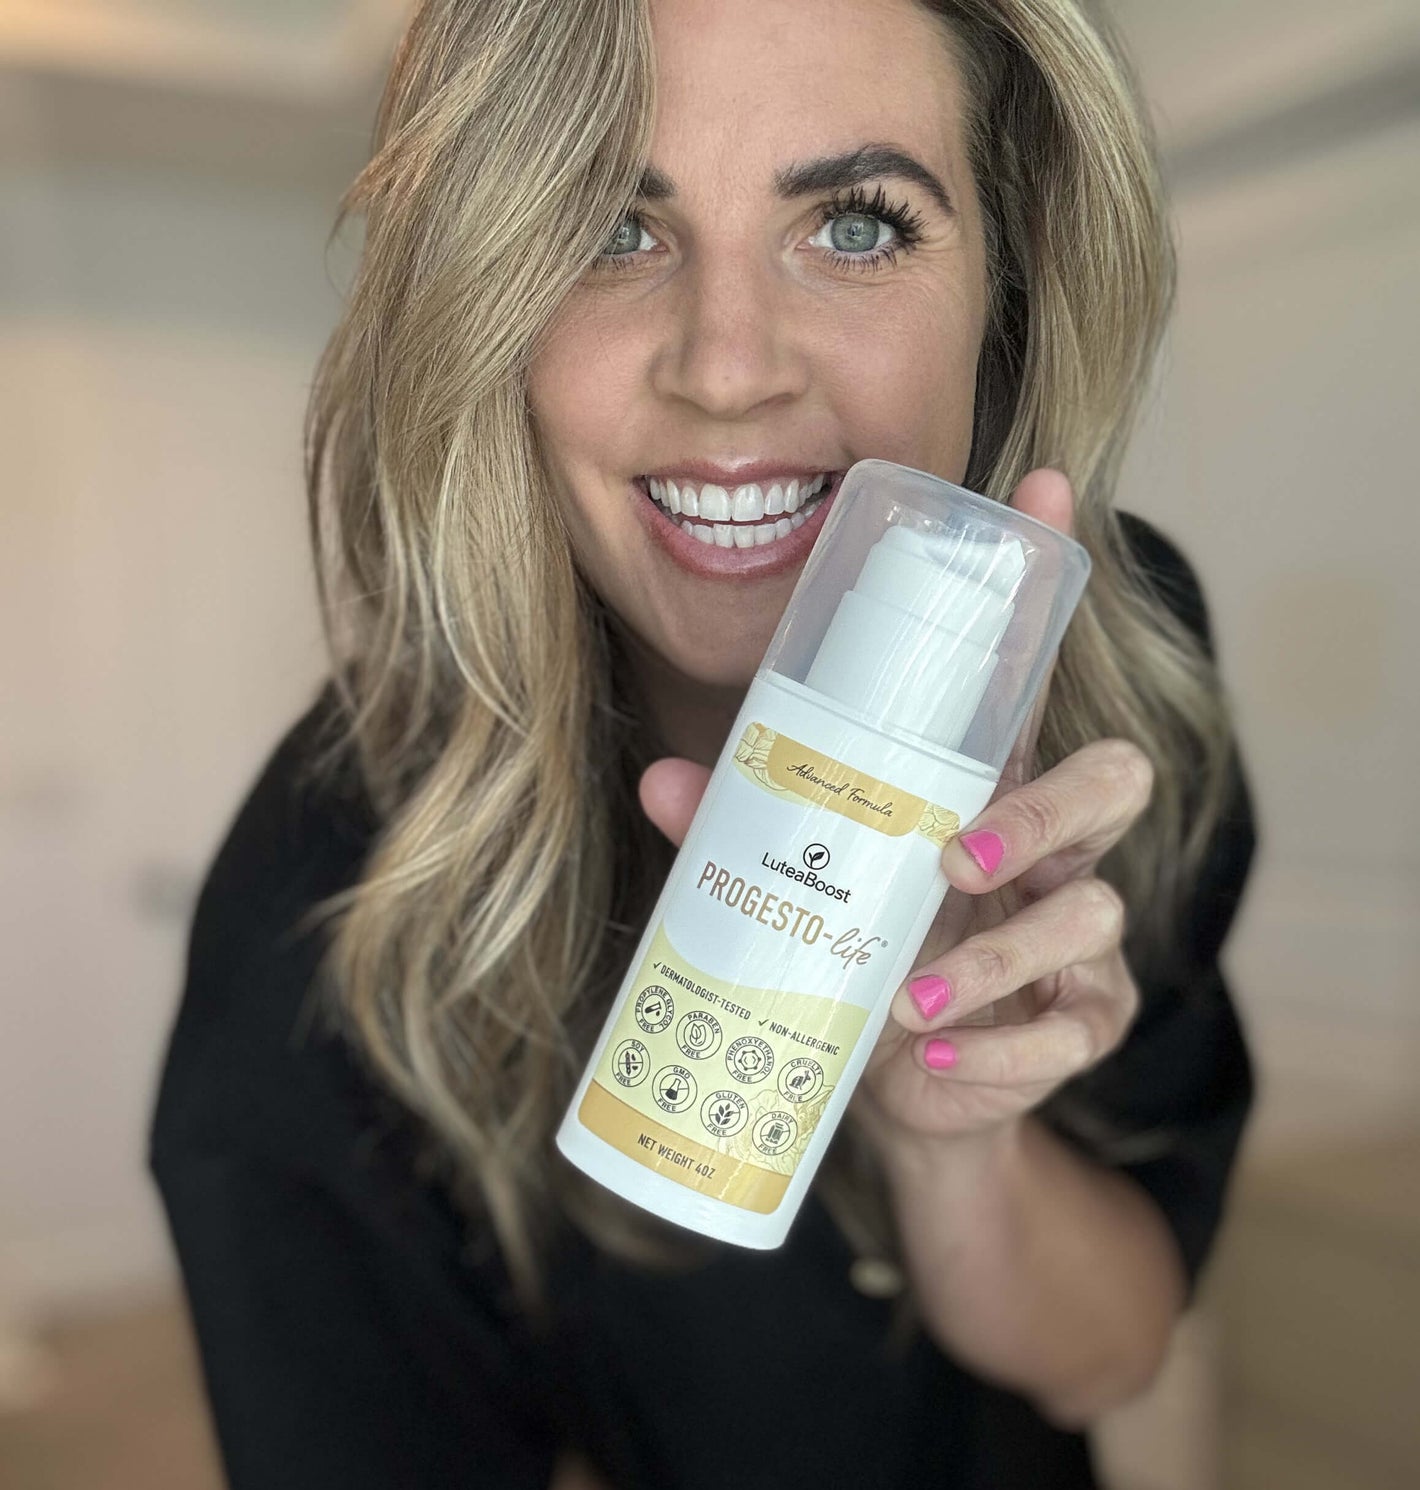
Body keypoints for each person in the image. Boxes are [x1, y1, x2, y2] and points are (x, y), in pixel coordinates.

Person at [147, 1, 1258, 1486]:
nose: (728, 369)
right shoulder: (324, 908)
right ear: (487, 307)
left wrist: (953, 1137)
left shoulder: (1125, 661)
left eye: (856, 225)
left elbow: (1110, 1351)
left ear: (1003, 288)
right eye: (610, 228)